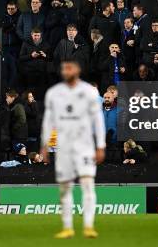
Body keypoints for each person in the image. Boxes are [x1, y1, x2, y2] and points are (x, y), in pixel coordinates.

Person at [40, 60, 106, 238]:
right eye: (64, 68)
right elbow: (48, 120)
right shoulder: (54, 93)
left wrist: (101, 145)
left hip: (85, 147)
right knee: (65, 187)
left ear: (77, 70)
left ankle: (89, 226)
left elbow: (98, 120)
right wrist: (44, 145)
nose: (66, 70)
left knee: (87, 184)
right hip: (63, 148)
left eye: (70, 67)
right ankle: (67, 227)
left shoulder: (89, 92)